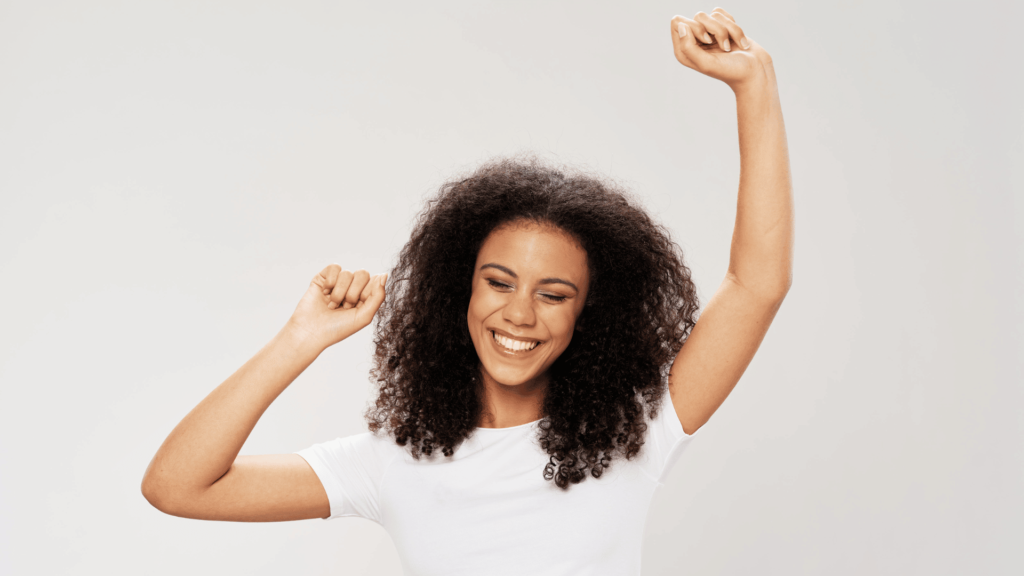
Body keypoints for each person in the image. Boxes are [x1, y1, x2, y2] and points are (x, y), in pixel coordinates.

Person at [142, 8, 792, 575]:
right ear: (461, 288)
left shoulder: (638, 430)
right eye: (499, 282)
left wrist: (754, 84)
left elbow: (757, 282)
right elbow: (178, 487)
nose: (519, 313)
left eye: (554, 293)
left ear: (588, 312)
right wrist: (299, 339)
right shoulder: (391, 461)